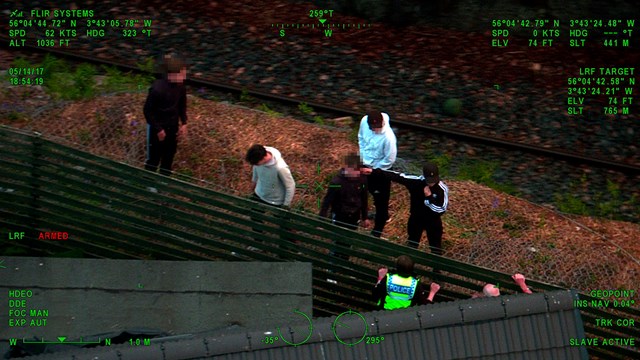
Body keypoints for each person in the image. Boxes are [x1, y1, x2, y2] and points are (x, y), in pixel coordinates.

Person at [364, 162, 448, 255]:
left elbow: (441, 209)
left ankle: (436, 269)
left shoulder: (442, 189)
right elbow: (396, 176)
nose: (431, 183)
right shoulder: (416, 182)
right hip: (416, 219)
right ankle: (408, 265)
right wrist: (374, 171)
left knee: (435, 247)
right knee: (412, 244)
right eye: (429, 180)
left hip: (433, 221)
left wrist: (429, 198)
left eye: (433, 180)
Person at [319, 154, 371, 259]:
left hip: (354, 215)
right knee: (338, 241)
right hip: (339, 215)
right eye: (352, 170)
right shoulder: (337, 182)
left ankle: (344, 260)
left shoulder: (362, 180)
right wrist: (321, 218)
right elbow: (327, 200)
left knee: (348, 241)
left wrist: (364, 217)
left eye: (357, 170)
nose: (355, 174)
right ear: (346, 167)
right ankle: (334, 263)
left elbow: (364, 198)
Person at [143, 55, 188, 176]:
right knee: (154, 157)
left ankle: (163, 182)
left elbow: (182, 105)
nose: (184, 77)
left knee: (169, 157)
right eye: (181, 74)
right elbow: (148, 111)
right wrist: (158, 129)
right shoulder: (157, 89)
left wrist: (184, 123)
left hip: (172, 127)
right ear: (172, 75)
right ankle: (149, 184)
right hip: (157, 127)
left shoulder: (181, 87)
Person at [358, 111, 397, 238]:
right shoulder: (364, 121)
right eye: (373, 128)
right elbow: (361, 139)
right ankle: (362, 214)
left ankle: (378, 229)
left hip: (380, 170)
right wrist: (363, 159)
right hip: (365, 164)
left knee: (380, 200)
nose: (375, 129)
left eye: (378, 127)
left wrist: (374, 171)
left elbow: (389, 159)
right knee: (361, 191)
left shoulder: (389, 137)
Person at [372, 255, 440, 310]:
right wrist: (432, 292)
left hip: (383, 312)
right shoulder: (415, 284)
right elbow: (424, 306)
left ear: (397, 267)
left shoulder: (388, 278)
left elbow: (375, 295)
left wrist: (380, 278)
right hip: (405, 316)